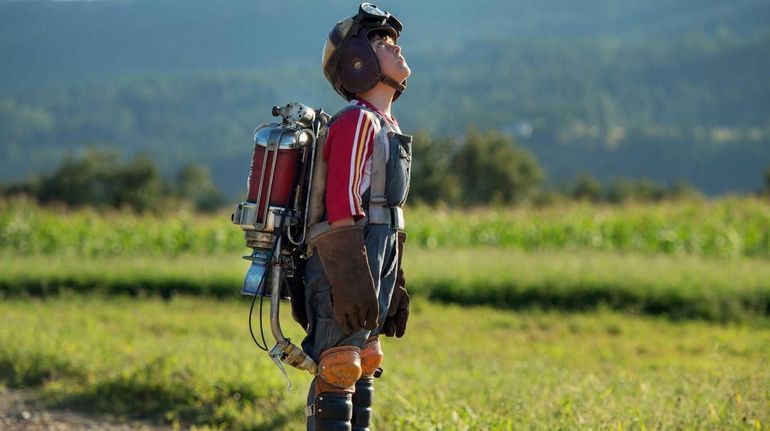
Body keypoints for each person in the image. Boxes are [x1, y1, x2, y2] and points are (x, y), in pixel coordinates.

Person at [301, 3, 412, 430]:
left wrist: (394, 278)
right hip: (347, 256)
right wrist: (349, 281)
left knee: (365, 360)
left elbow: (388, 210)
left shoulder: (386, 123)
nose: (396, 48)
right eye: (383, 43)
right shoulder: (357, 121)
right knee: (339, 365)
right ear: (359, 62)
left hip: (378, 251)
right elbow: (343, 204)